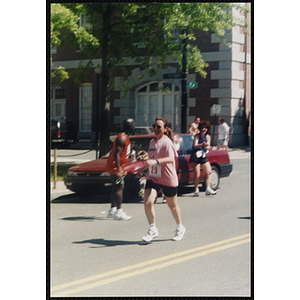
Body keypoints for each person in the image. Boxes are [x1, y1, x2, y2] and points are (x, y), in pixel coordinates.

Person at [137, 117, 186, 242]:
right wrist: (141, 170)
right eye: (154, 126)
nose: (156, 129)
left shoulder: (167, 142)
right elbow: (150, 159)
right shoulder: (152, 142)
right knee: (148, 202)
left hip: (167, 177)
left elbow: (171, 159)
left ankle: (180, 227)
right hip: (153, 177)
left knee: (172, 205)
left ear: (165, 129)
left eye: (159, 126)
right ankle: (152, 228)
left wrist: (156, 161)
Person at [106, 118, 135, 221]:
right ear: (130, 127)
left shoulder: (124, 137)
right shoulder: (122, 138)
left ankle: (112, 210)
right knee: (120, 187)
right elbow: (116, 154)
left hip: (117, 165)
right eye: (133, 125)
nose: (134, 127)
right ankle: (119, 211)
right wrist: (119, 170)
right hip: (115, 166)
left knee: (115, 187)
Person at [189, 120, 217, 196]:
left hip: (203, 155)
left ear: (207, 129)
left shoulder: (208, 137)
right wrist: (202, 144)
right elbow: (195, 145)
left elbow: (208, 146)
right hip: (196, 155)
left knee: (209, 171)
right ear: (200, 128)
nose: (204, 129)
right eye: (202, 128)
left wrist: (207, 146)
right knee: (197, 174)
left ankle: (208, 188)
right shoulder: (197, 136)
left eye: (205, 128)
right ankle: (196, 190)